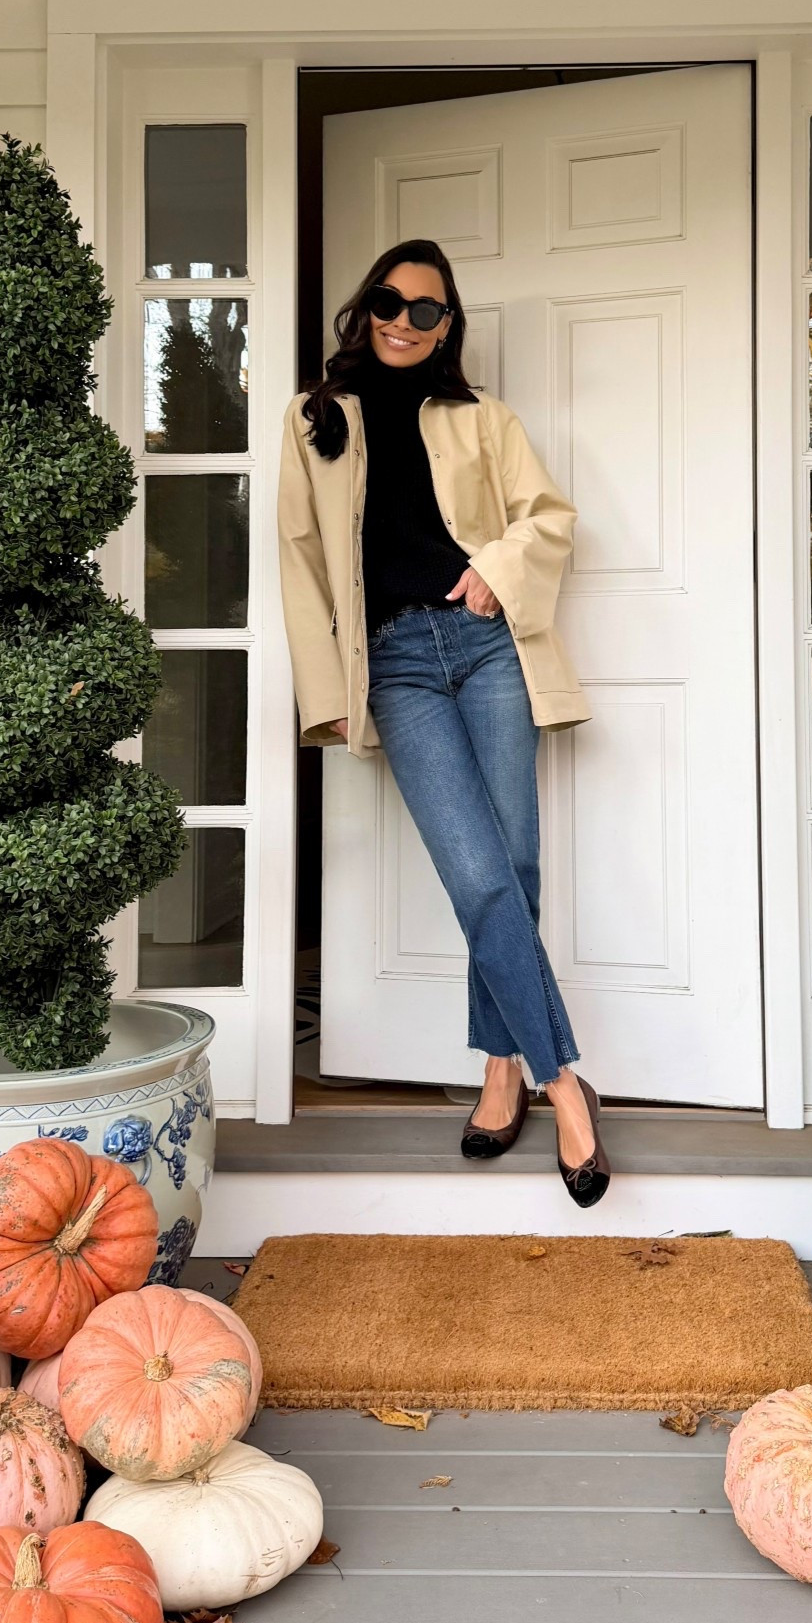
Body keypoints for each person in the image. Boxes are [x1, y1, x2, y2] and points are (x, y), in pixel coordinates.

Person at [277, 237, 610, 1206]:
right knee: (478, 875)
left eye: (424, 309)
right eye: (388, 301)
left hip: (485, 646)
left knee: (514, 868)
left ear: (446, 325)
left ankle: (502, 1069)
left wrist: (494, 572)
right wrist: (325, 695)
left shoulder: (481, 418)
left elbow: (547, 516)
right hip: (394, 664)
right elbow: (299, 556)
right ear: (366, 306)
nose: (402, 321)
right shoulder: (313, 416)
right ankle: (563, 1082)